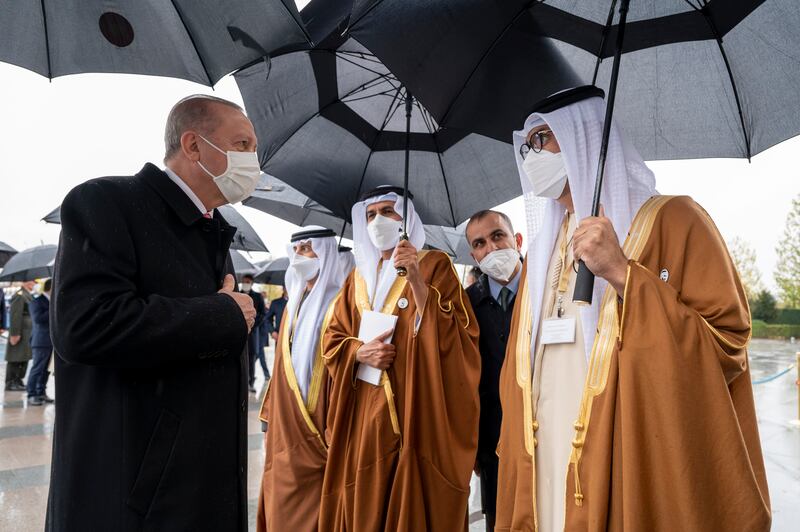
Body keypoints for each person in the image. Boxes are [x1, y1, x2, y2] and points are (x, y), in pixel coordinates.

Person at [496, 86, 770, 531]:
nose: (532, 155)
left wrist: (623, 273)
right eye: (527, 145)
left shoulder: (676, 221)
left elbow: (727, 343)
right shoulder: (543, 251)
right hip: (542, 456)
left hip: (623, 454)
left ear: (584, 137)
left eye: (543, 138)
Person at [48, 94, 259, 532]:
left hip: (202, 489)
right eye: (242, 145)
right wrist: (222, 315)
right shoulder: (107, 202)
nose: (252, 160)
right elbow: (85, 327)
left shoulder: (214, 233)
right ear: (194, 145)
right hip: (135, 499)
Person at [319, 185, 480, 531]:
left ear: (406, 218)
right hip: (363, 414)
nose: (378, 221)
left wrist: (417, 280)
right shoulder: (356, 279)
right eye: (370, 214)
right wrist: (358, 352)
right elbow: (332, 339)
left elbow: (458, 337)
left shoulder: (434, 264)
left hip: (413, 411)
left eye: (388, 212)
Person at [256, 226, 344, 531]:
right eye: (297, 249)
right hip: (285, 428)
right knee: (282, 504)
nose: (301, 256)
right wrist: (267, 418)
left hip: (320, 427)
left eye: (308, 248)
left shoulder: (341, 303)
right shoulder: (293, 304)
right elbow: (282, 369)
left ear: (325, 252)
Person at [464, 210, 523, 532]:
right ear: (474, 255)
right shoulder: (467, 304)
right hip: (493, 439)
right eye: (480, 243)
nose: (491, 247)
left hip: (546, 432)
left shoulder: (546, 288)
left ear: (516, 240)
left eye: (497, 236)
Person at [27, 278, 54, 405]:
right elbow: (38, 319)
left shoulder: (51, 302)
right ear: (50, 289)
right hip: (41, 341)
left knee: (46, 369)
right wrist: (53, 309)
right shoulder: (36, 302)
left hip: (51, 342)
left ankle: (41, 392)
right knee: (38, 368)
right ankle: (31, 394)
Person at [5, 280, 34, 392]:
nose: (34, 284)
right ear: (26, 283)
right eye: (32, 282)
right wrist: (14, 334)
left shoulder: (26, 295)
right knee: (15, 357)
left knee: (23, 357)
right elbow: (15, 316)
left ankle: (18, 380)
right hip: (20, 333)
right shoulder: (19, 296)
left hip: (26, 333)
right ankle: (11, 382)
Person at [241, 273, 267, 392]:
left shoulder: (257, 297)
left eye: (247, 282)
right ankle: (241, 382)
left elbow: (263, 314)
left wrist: (252, 324)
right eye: (244, 281)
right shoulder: (237, 294)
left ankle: (250, 382)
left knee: (252, 357)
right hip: (238, 332)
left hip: (252, 333)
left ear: (251, 283)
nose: (245, 284)